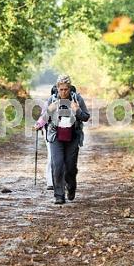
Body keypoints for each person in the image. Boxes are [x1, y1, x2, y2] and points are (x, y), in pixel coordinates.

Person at [35, 75, 90, 204]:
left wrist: (77, 110)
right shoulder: (52, 99)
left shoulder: (77, 99)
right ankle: (59, 195)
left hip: (73, 136)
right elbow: (43, 118)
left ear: (70, 88)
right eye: (61, 89)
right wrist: (47, 113)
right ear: (57, 89)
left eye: (66, 89)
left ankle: (71, 187)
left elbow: (86, 117)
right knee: (57, 164)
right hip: (55, 136)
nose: (63, 92)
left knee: (70, 167)